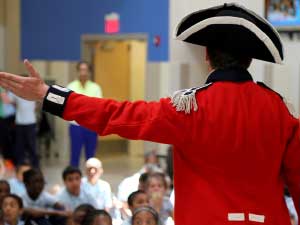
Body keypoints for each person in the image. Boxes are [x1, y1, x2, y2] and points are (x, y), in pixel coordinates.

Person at [0, 3, 299, 225]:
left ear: (207, 56)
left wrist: (47, 95)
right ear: (249, 60)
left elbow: (115, 114)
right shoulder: (282, 111)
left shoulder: (188, 108)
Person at [67, 61, 103, 167]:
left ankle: (90, 180)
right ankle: (73, 179)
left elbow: (98, 107)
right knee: (74, 155)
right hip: (75, 126)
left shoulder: (96, 88)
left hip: (91, 126)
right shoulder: (70, 87)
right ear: (77, 72)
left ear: (89, 72)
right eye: (81, 70)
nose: (83, 73)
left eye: (85, 70)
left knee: (91, 157)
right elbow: (68, 107)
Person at [5, 80, 38, 168]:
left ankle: (35, 167)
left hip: (31, 123)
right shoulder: (16, 92)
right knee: (19, 147)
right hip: (20, 123)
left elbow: (37, 104)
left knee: (32, 147)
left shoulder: (33, 91)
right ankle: (19, 167)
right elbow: (8, 101)